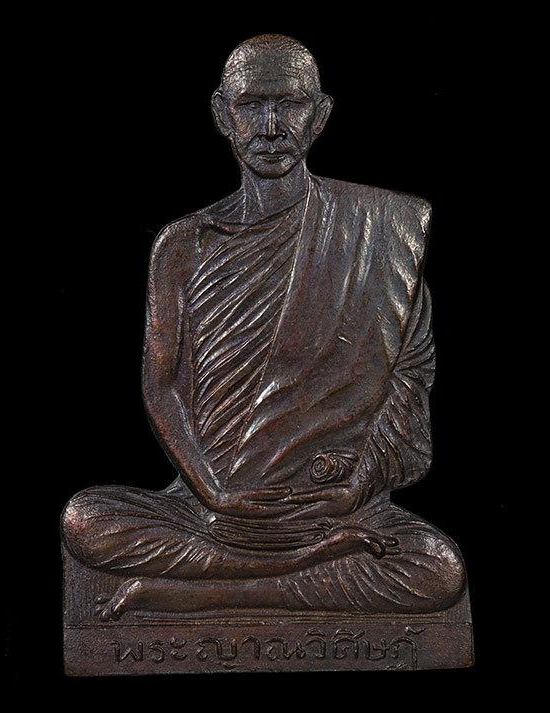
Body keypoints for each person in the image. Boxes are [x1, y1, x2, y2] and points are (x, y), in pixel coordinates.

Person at [61, 34, 466, 621]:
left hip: (329, 509)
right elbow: (162, 387)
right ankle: (299, 571)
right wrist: (213, 491)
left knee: (437, 567)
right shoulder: (183, 245)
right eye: (252, 105)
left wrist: (357, 487)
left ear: (319, 115)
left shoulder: (382, 235)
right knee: (85, 520)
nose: (271, 127)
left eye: (290, 104)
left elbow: (409, 384)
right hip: (211, 509)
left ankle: (211, 591)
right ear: (222, 115)